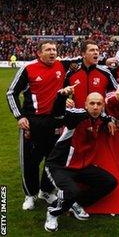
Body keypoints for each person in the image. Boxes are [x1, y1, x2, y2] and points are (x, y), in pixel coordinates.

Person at [6, 40, 69, 210]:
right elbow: (11, 93)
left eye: (54, 49)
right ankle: (30, 195)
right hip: (32, 123)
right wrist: (19, 116)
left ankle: (46, 191)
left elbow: (85, 60)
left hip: (55, 122)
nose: (52, 52)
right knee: (30, 161)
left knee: (53, 160)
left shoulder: (63, 65)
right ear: (39, 53)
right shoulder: (28, 68)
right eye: (48, 49)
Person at [44, 91, 118, 232]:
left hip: (82, 167)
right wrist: (61, 96)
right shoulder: (76, 116)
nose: (95, 107)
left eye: (99, 104)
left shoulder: (101, 117)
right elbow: (58, 113)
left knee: (110, 182)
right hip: (60, 166)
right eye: (92, 103)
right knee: (72, 191)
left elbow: (106, 116)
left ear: (103, 106)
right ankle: (53, 212)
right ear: (85, 105)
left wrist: (110, 121)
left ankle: (75, 203)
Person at [65, 40, 118, 108]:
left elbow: (115, 92)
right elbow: (63, 92)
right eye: (92, 50)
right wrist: (65, 100)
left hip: (98, 116)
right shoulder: (71, 73)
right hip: (77, 116)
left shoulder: (106, 73)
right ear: (83, 54)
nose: (96, 52)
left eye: (97, 50)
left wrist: (106, 101)